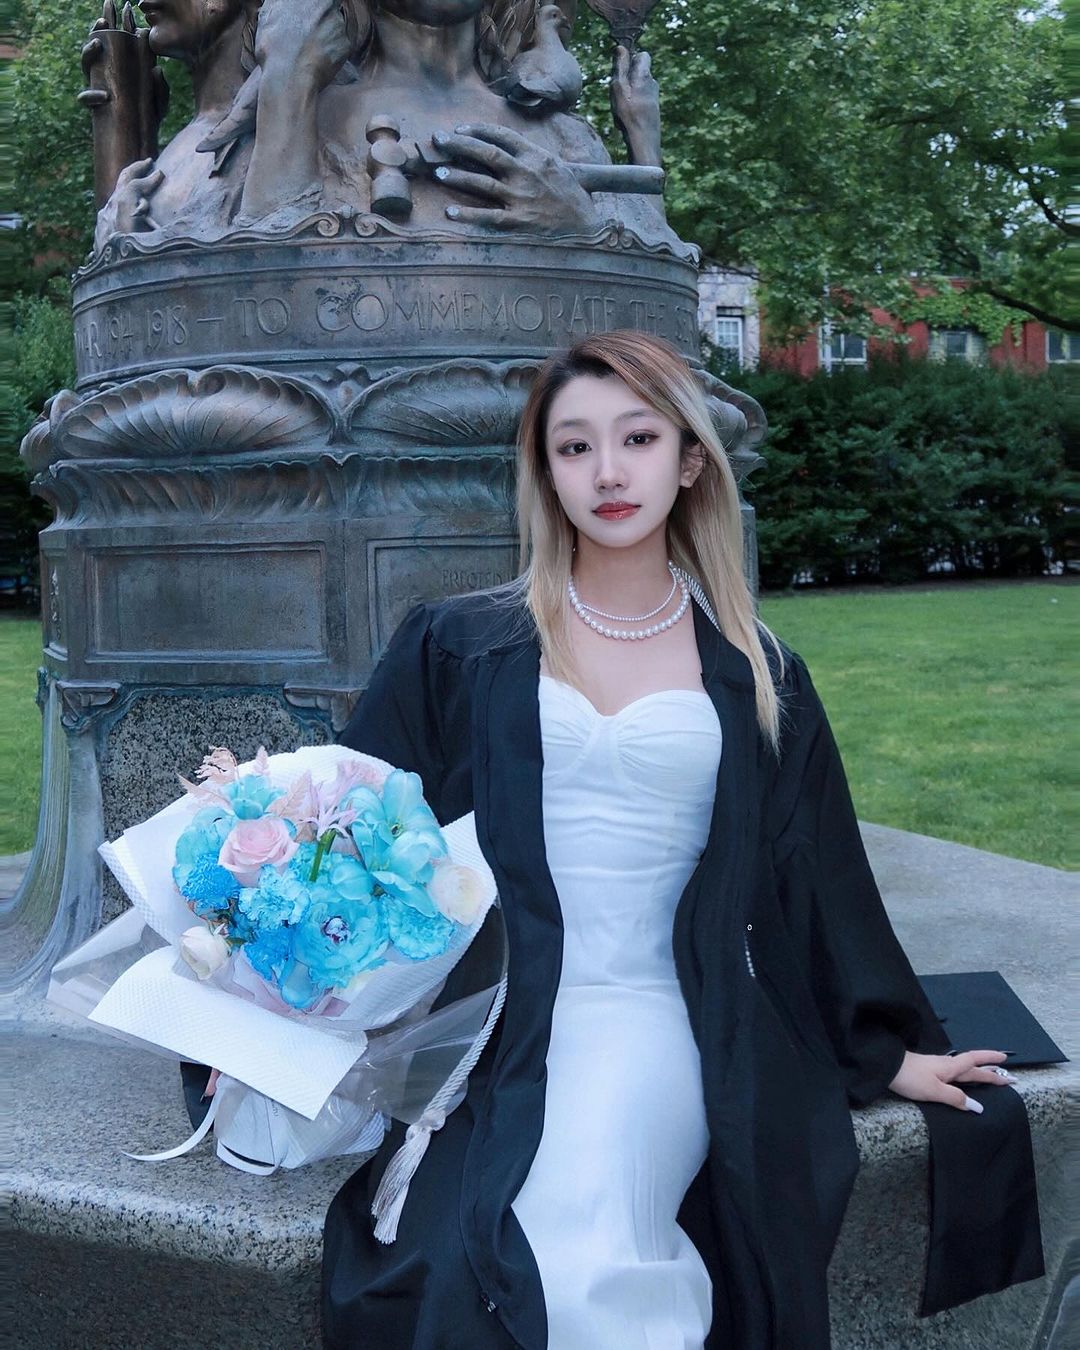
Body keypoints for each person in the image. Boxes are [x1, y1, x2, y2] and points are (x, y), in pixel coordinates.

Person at [322, 330, 1014, 1349]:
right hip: (495, 1019)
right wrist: (265, 992)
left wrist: (883, 1049)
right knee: (457, 1249)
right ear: (543, 473)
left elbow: (812, 875)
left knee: (572, 1244)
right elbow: (353, 831)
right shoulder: (462, 643)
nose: (608, 472)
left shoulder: (754, 672)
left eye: (637, 438)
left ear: (689, 461)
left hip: (660, 1013)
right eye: (573, 448)